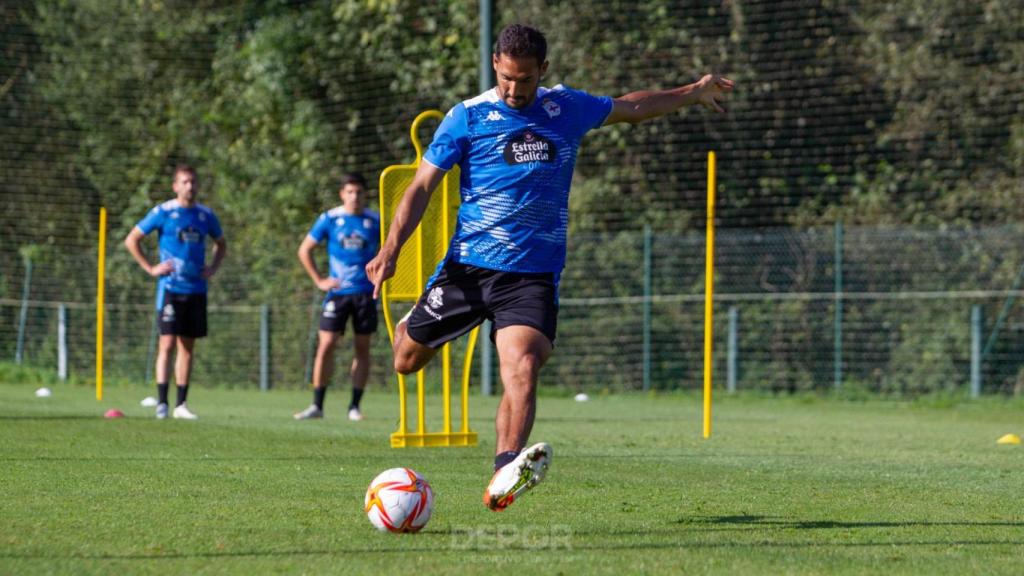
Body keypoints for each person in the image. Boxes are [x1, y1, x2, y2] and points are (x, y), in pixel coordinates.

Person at [365, 23, 733, 511]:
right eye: (508, 78)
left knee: (523, 366)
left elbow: (634, 108)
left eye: (526, 80)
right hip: (467, 271)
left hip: (532, 277)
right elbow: (420, 188)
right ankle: (420, 321)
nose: (516, 90)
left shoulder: (566, 107)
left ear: (544, 70)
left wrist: (694, 91)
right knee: (404, 361)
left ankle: (504, 472)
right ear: (496, 63)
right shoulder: (466, 118)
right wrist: (391, 250)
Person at [125, 164, 226, 420]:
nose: (189, 186)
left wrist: (213, 267)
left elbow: (221, 243)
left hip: (196, 289)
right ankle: (162, 403)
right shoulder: (163, 212)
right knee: (167, 343)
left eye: (193, 182)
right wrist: (150, 267)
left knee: (187, 347)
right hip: (170, 289)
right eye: (184, 182)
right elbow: (132, 239)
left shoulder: (205, 216)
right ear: (175, 186)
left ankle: (181, 404)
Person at [294, 173, 381, 421]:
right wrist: (319, 280)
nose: (355, 197)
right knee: (326, 345)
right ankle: (317, 405)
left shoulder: (375, 220)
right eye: (350, 192)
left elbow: (391, 249)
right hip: (337, 294)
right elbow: (305, 250)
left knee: (362, 349)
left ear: (365, 195)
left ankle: (354, 406)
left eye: (359, 192)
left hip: (365, 294)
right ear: (342, 194)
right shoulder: (330, 219)